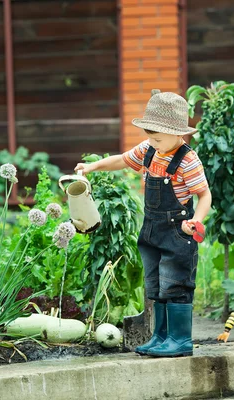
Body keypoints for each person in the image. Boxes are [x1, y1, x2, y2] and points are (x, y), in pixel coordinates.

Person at [74, 89, 212, 357]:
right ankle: (160, 336)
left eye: (158, 139)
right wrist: (92, 167)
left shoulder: (187, 161)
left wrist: (197, 220)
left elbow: (204, 194)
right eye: (151, 138)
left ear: (179, 134)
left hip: (177, 231)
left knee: (176, 283)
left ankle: (180, 339)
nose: (153, 143)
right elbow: (122, 160)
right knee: (156, 285)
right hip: (151, 230)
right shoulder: (150, 150)